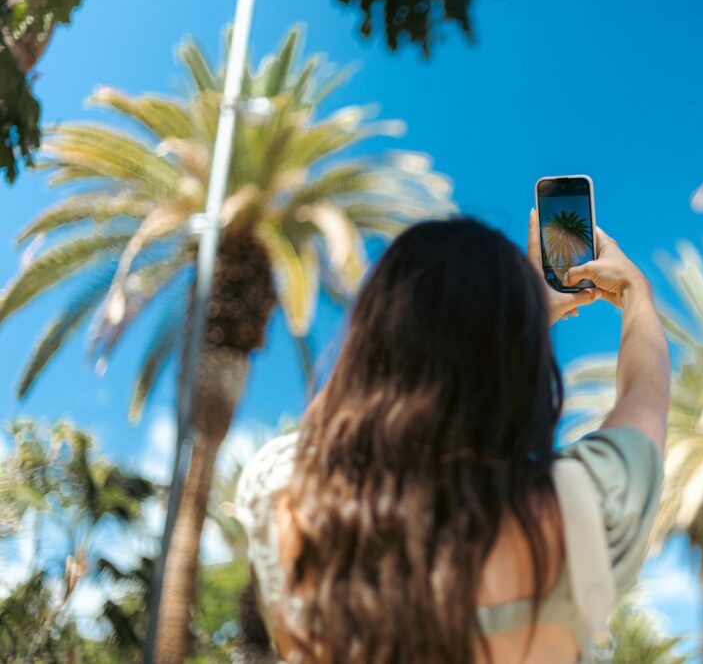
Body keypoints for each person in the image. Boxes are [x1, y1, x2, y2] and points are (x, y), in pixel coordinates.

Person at [235, 211, 670, 664]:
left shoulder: (291, 504)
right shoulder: (578, 512)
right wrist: (634, 293)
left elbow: (332, 423)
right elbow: (645, 398)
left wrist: (398, 342)